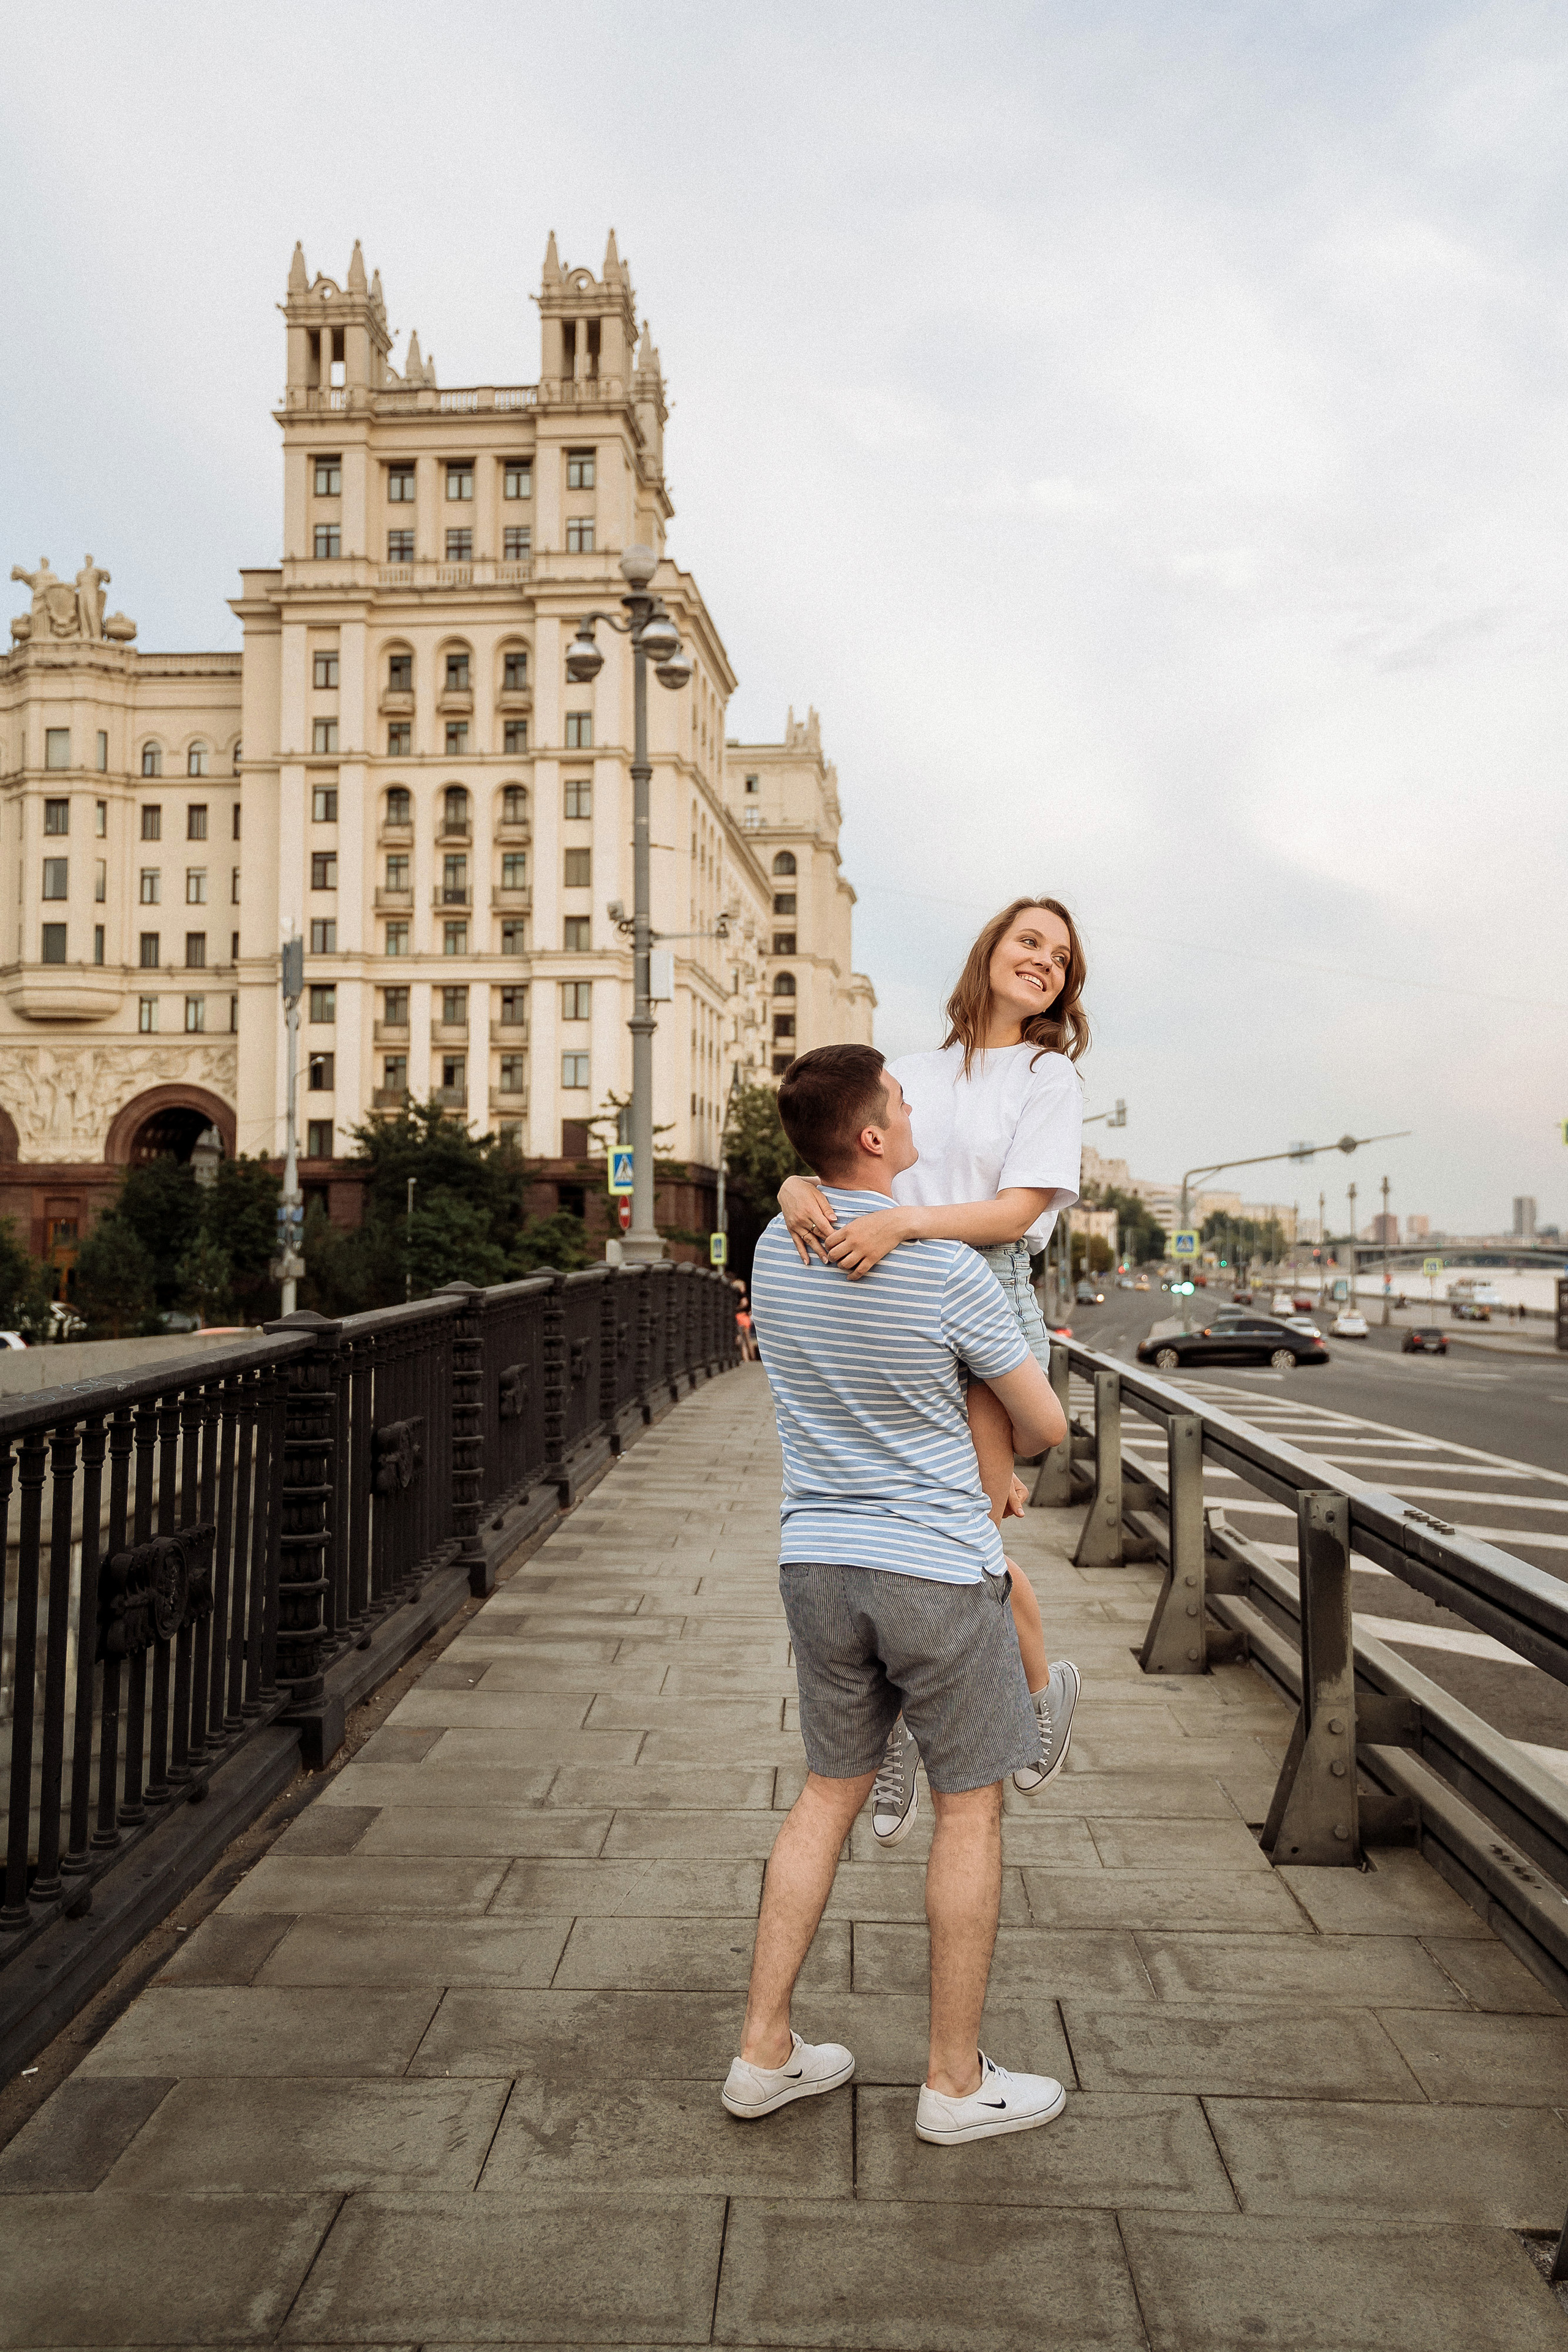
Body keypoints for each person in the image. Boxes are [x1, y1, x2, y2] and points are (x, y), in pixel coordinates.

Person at [723, 1043, 1071, 2144]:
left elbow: (801, 1197)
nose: (916, 1112)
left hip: (816, 1563)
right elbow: (1045, 1426)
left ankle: (762, 2052)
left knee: (826, 1795)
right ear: (874, 1136)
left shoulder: (776, 1244)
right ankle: (954, 2084)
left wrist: (798, 1184)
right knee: (970, 1808)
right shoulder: (947, 1272)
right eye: (903, 1103)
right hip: (932, 1569)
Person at [778, 897, 1085, 1838]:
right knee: (928, 1546)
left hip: (985, 1287)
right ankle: (950, 1722)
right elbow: (841, 1149)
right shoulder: (907, 1070)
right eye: (1029, 941)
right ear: (989, 949)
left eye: (1061, 957)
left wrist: (906, 1222)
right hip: (898, 1294)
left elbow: (1018, 1212)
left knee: (967, 1544)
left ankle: (1008, 1707)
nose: (1044, 961)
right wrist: (793, 1184)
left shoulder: (1047, 1075)